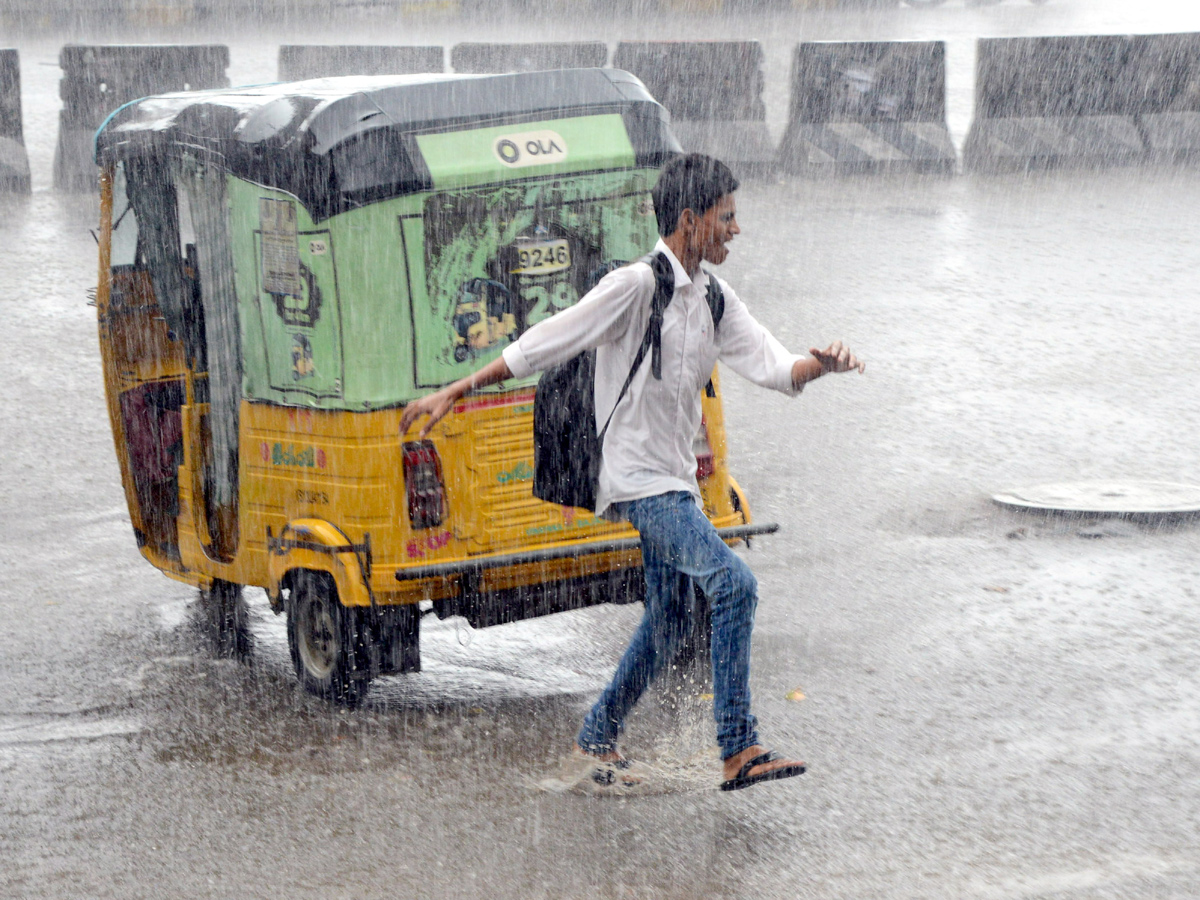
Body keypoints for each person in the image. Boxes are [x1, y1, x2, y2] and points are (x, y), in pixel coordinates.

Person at [400, 153, 864, 792]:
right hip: (639, 481)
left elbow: (777, 368)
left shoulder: (713, 298)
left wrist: (823, 365)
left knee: (670, 618)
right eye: (725, 217)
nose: (735, 229)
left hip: (673, 480)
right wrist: (458, 390)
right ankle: (738, 745)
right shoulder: (636, 286)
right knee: (735, 587)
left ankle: (595, 738)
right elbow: (548, 340)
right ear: (688, 219)